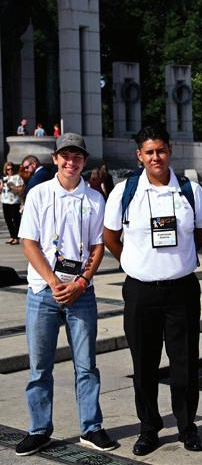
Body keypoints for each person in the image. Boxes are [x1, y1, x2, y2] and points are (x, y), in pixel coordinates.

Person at [103, 125, 202, 456]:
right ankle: (148, 428)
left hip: (181, 290)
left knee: (185, 363)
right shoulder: (125, 191)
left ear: (170, 150)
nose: (156, 157)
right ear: (139, 155)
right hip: (141, 291)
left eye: (160, 150)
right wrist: (133, 262)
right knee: (144, 364)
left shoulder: (190, 190)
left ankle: (187, 426)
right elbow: (110, 236)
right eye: (149, 152)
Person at [15, 133, 118, 456]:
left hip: (80, 292)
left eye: (77, 157)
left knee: (86, 365)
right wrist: (52, 281)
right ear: (56, 159)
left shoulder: (94, 199)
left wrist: (81, 282)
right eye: (65, 156)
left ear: (84, 161)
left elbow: (98, 246)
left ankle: (91, 426)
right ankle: (39, 429)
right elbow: (29, 242)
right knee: (39, 366)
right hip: (43, 290)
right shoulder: (39, 194)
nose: (71, 162)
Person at [1, 162, 24, 244]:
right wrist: (1, 186)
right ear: (5, 170)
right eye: (8, 169)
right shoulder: (4, 178)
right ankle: (12, 236)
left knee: (16, 220)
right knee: (8, 220)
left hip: (14, 202)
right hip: (5, 201)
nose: (10, 171)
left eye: (11, 169)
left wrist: (12, 187)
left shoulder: (17, 177)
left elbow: (21, 189)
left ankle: (16, 238)